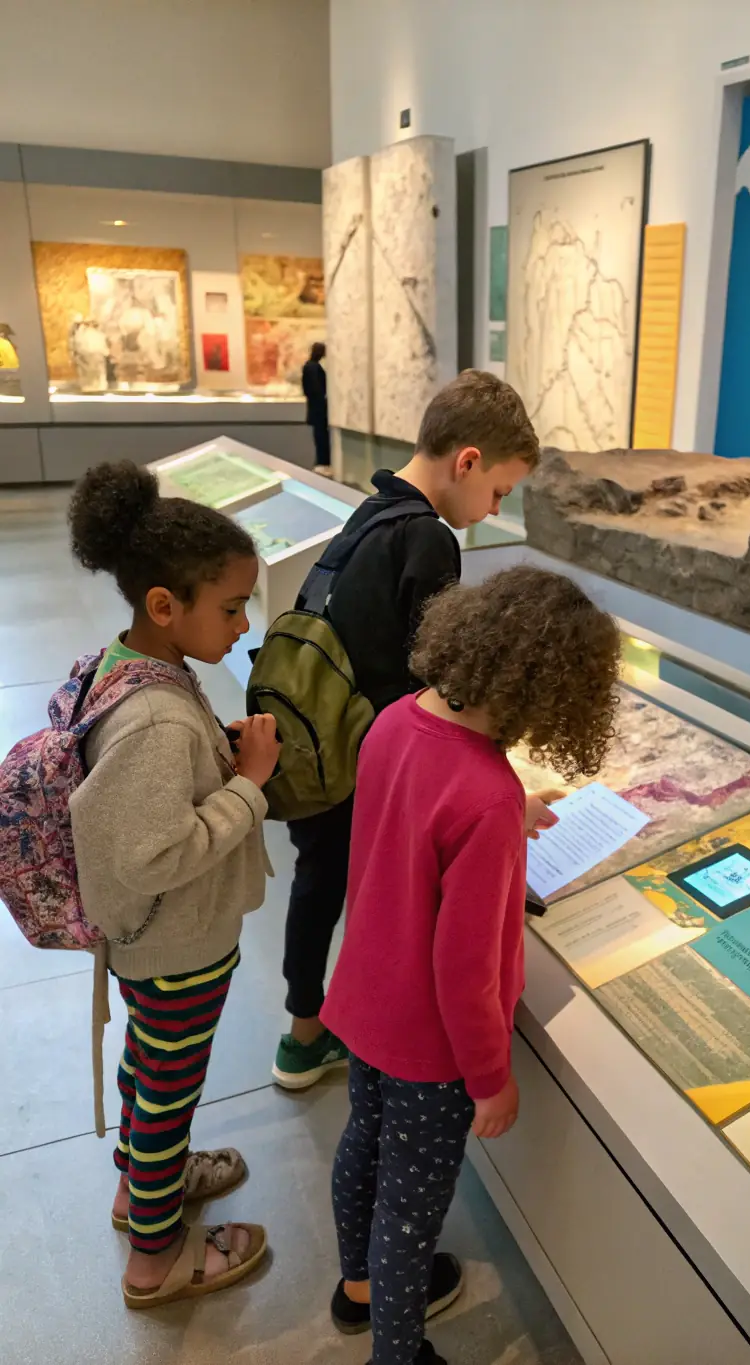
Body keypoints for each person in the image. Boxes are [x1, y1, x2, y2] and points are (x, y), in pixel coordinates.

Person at [324, 566, 621, 1365]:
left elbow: (411, 818)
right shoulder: (486, 795)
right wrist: (490, 1077)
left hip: (361, 1002)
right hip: (431, 1050)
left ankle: (354, 1290)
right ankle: (397, 1350)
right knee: (411, 1211)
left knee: (364, 1140)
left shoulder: (394, 720)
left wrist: (510, 812)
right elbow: (466, 971)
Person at [272, 369, 541, 1092]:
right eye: (499, 492)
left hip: (322, 739)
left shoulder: (373, 510)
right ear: (468, 462)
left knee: (318, 881)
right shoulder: (428, 538)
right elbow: (444, 676)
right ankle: (330, 1037)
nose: (490, 509)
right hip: (364, 757)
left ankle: (306, 1028)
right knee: (356, 890)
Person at [67, 462, 282, 1309]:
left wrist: (214, 756)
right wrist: (249, 781)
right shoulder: (154, 716)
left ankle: (138, 1192)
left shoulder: (133, 665)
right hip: (178, 945)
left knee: (151, 1071)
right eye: (230, 606)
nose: (243, 621)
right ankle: (155, 1259)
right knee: (167, 1093)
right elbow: (154, 853)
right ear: (166, 606)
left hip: (152, 946)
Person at [302, 340, 329, 469]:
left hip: (316, 408)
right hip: (318, 409)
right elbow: (315, 389)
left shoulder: (310, 366)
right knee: (321, 436)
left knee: (320, 436)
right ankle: (322, 462)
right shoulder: (313, 368)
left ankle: (321, 461)